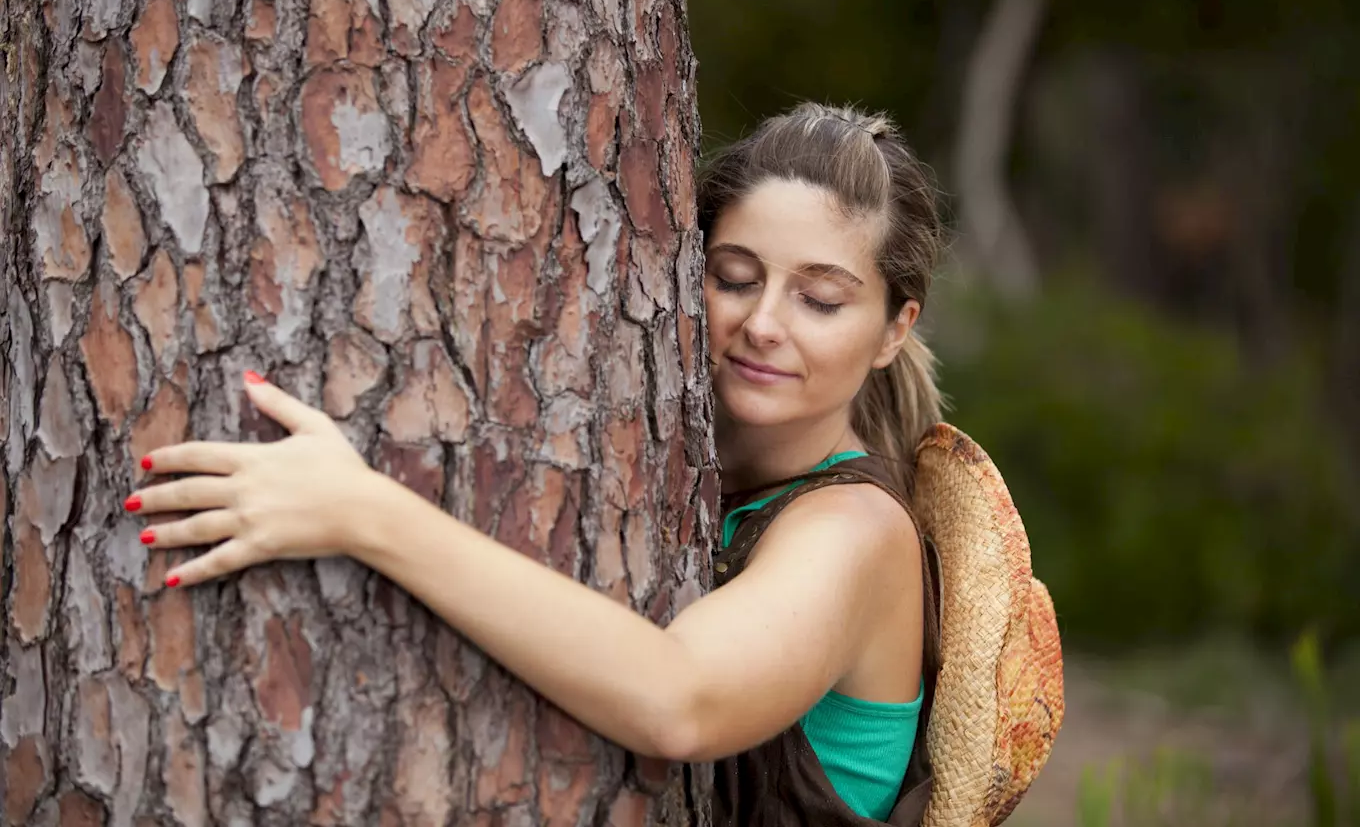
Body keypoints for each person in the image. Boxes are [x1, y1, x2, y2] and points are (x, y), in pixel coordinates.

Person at [125, 102, 948, 825]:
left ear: (892, 329)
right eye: (734, 278)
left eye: (820, 300)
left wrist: (361, 511)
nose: (764, 321)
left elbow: (680, 702)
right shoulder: (700, 481)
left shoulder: (857, 529)